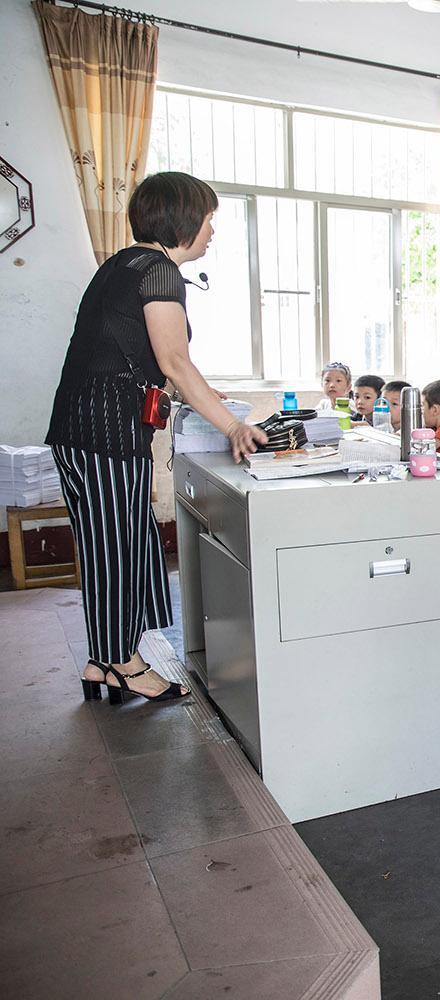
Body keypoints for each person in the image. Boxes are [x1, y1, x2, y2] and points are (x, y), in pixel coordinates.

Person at [50, 171, 267, 703]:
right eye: (210, 218)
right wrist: (234, 424)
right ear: (185, 219)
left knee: (111, 542)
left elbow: (149, 358)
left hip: (82, 429)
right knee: (116, 545)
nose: (212, 231)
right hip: (104, 432)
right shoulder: (159, 271)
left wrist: (206, 401)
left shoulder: (121, 264)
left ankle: (108, 659)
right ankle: (120, 663)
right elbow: (174, 361)